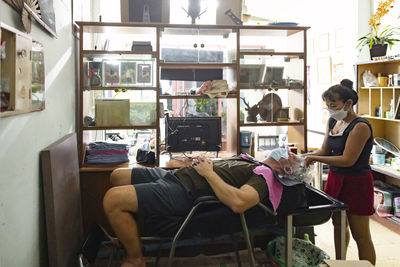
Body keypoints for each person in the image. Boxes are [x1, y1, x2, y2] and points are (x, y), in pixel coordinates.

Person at [103, 150, 305, 267]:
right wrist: (204, 162)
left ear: (286, 169)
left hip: (185, 191)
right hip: (178, 175)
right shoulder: (250, 160)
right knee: (117, 176)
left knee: (113, 200)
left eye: (291, 155)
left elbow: (239, 202)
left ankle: (135, 258)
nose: (286, 150)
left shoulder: (265, 175)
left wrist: (208, 172)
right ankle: (129, 238)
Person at [304, 79, 376, 265]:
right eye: (327, 106)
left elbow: (347, 160)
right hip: (336, 179)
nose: (330, 109)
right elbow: (324, 150)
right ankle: (340, 262)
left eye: (333, 105)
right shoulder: (333, 121)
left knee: (360, 234)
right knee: (338, 225)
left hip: (357, 182)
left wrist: (315, 159)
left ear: (348, 103)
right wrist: (305, 156)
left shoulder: (360, 126)